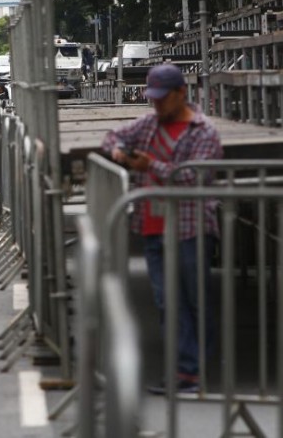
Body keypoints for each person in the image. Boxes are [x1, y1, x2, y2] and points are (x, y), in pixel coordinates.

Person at [100, 62, 223, 395]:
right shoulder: (149, 125)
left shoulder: (203, 131)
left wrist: (149, 165)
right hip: (154, 227)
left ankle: (193, 366)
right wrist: (117, 150)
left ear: (181, 93)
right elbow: (112, 136)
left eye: (162, 98)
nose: (156, 104)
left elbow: (192, 176)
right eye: (152, 98)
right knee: (168, 301)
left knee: (194, 299)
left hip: (191, 228)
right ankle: (186, 370)